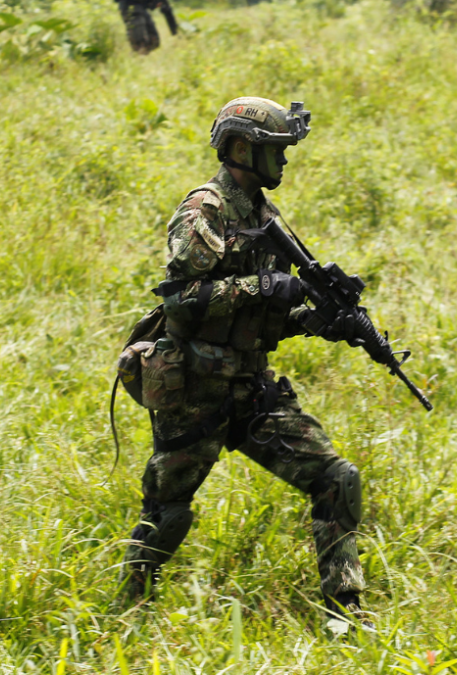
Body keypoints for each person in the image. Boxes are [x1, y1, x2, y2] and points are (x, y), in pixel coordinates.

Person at [118, 97, 368, 632]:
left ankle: (346, 610)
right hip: (195, 390)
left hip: (252, 390)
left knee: (336, 479)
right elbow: (181, 300)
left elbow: (263, 321)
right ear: (241, 149)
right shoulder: (204, 210)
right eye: (275, 151)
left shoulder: (266, 218)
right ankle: (128, 609)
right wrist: (268, 284)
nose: (284, 163)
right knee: (166, 513)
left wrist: (321, 321)